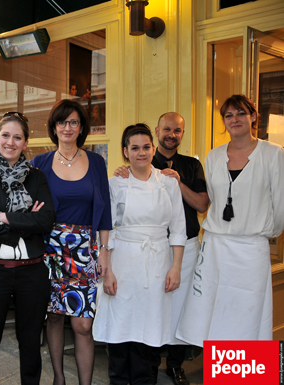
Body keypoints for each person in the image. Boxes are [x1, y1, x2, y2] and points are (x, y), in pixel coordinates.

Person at [176, 95, 284, 345]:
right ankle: (219, 374)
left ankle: (245, 377)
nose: (234, 119)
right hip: (215, 246)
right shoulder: (213, 156)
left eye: (241, 113)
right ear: (223, 121)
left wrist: (263, 232)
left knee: (248, 313)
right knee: (214, 312)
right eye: (228, 115)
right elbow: (213, 199)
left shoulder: (273, 154)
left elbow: (279, 205)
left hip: (251, 247)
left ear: (253, 117)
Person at [113, 113, 208, 385]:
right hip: (135, 253)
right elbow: (109, 224)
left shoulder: (186, 169)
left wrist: (176, 182)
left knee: (171, 313)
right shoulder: (127, 173)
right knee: (134, 316)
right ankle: (131, 374)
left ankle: (171, 366)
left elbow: (200, 206)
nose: (172, 134)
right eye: (167, 129)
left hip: (178, 249)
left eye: (178, 130)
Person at [0, 112, 55, 385]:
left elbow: (45, 220)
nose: (10, 142)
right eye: (5, 135)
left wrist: (2, 217)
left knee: (30, 345)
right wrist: (24, 222)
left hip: (32, 273)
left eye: (17, 137)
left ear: (26, 143)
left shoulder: (36, 177)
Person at [93, 123, 186, 385]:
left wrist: (176, 267)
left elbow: (178, 229)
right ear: (125, 152)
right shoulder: (115, 183)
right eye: (135, 148)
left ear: (153, 149)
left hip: (157, 263)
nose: (141, 152)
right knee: (120, 331)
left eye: (146, 147)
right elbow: (106, 229)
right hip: (121, 262)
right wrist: (107, 271)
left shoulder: (168, 183)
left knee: (150, 332)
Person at [30, 99, 112, 385]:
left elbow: (106, 211)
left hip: (84, 249)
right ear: (54, 127)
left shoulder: (97, 162)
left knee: (82, 324)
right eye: (62, 122)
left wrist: (103, 252)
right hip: (49, 248)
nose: (67, 127)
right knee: (53, 317)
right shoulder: (39, 163)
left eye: (73, 122)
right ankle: (59, 378)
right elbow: (13, 186)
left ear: (81, 128)